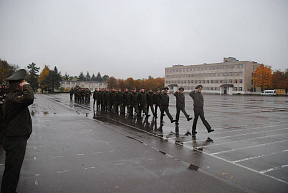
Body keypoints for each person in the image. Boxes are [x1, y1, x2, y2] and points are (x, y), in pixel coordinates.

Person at [1, 69, 34, 193]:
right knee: (12, 174)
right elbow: (29, 98)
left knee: (12, 172)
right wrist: (27, 86)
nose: (24, 84)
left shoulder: (12, 97)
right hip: (15, 140)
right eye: (22, 82)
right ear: (18, 84)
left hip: (15, 138)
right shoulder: (13, 97)